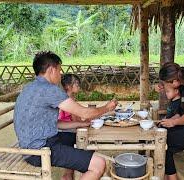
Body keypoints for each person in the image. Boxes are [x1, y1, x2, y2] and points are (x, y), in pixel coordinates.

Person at [14, 51, 117, 180]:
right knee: (99, 164)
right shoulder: (50, 89)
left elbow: (51, 123)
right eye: (59, 70)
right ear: (52, 69)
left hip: (30, 145)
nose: (60, 74)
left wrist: (81, 124)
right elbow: (84, 112)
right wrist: (107, 107)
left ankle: (67, 175)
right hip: (39, 150)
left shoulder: (29, 87)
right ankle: (82, 166)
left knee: (75, 137)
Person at [57, 74, 90, 179]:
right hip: (64, 133)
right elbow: (76, 120)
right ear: (68, 86)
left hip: (64, 131)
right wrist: (87, 119)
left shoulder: (66, 98)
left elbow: (77, 119)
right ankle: (68, 175)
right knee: (83, 141)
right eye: (76, 83)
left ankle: (68, 174)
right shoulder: (68, 100)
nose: (78, 85)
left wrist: (85, 119)